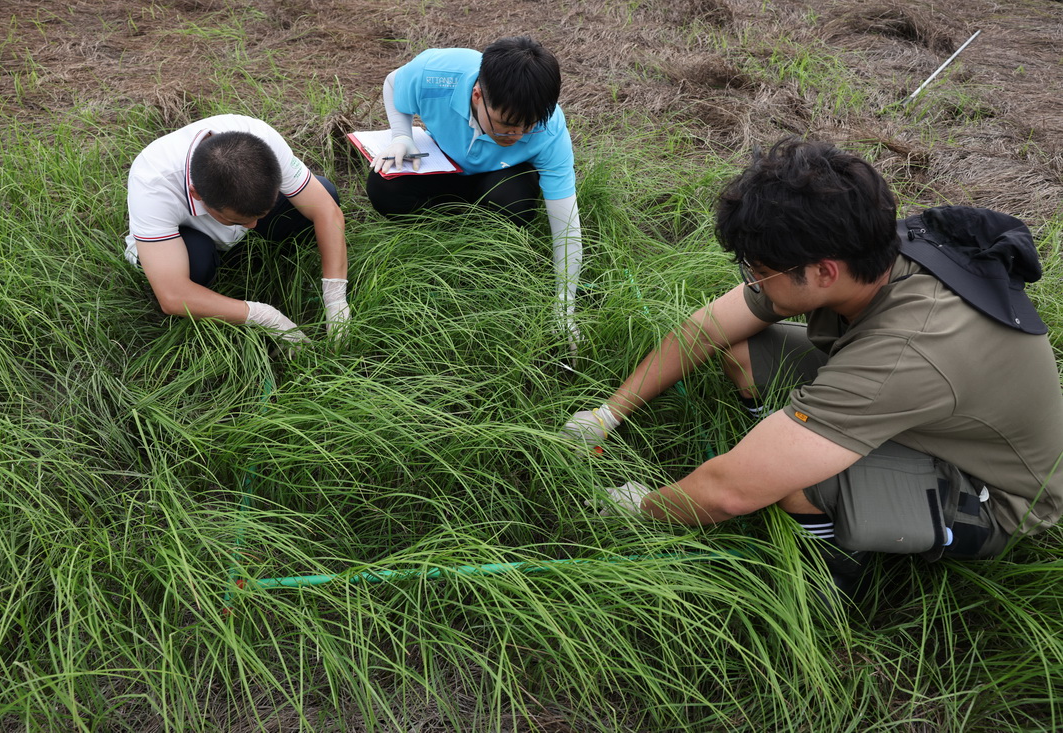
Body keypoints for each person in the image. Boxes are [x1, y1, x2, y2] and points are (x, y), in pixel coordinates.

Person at [563, 138, 1063, 594]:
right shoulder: (868, 251)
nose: (751, 281)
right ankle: (790, 447)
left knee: (789, 482)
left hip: (991, 494)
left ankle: (830, 578)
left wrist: (637, 506)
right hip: (930, 414)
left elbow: (727, 493)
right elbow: (709, 328)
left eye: (758, 271)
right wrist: (608, 414)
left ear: (823, 272)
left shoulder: (908, 350)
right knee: (743, 355)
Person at [366, 36, 582, 356]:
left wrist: (565, 306)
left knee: (514, 204)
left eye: (529, 126)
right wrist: (401, 137)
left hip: (500, 179)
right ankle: (446, 229)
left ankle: (485, 230)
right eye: (507, 126)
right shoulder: (437, 71)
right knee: (384, 186)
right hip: (445, 166)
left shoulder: (550, 129)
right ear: (478, 96)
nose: (518, 136)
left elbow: (566, 226)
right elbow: (394, 83)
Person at [124, 114, 349, 345]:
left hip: (236, 236)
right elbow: (172, 296)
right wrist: (265, 316)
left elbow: (325, 210)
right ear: (197, 194)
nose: (253, 226)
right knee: (197, 262)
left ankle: (242, 259)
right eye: (237, 220)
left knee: (323, 192)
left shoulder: (261, 139)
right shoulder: (153, 182)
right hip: (183, 245)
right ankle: (213, 279)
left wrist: (335, 296)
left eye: (258, 217)